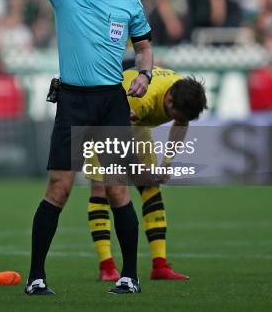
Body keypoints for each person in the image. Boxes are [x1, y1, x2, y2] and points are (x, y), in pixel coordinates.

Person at [0, 0, 154, 295]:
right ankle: (35, 276)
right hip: (72, 102)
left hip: (111, 103)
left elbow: (144, 46)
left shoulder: (129, 3)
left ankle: (129, 275)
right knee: (59, 188)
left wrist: (145, 74)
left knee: (118, 189)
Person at [86, 68, 207, 282]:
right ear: (169, 99)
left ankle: (159, 266)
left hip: (136, 124)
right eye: (174, 115)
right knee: (103, 188)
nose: (177, 119)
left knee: (151, 186)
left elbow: (181, 124)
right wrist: (140, 170)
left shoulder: (183, 94)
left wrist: (166, 163)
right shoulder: (141, 100)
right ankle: (106, 266)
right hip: (101, 123)